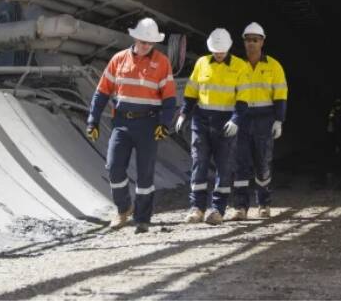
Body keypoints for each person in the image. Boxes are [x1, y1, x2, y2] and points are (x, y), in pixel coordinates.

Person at [85, 17, 177, 233]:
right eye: (142, 41)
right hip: (122, 123)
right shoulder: (119, 60)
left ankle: (143, 218)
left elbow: (170, 98)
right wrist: (93, 120)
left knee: (145, 174)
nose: (145, 45)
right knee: (114, 167)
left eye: (150, 42)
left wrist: (164, 123)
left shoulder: (162, 62)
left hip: (148, 124)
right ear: (135, 37)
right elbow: (102, 92)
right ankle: (123, 208)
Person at [177, 28, 251, 224]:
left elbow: (244, 99)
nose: (218, 54)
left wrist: (236, 119)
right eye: (215, 51)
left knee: (224, 166)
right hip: (201, 120)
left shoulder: (239, 66)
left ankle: (217, 209)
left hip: (225, 122)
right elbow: (192, 92)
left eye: (222, 51)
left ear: (228, 49)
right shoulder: (202, 63)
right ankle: (197, 208)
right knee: (198, 163)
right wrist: (184, 113)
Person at [229, 22, 288, 220]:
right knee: (240, 163)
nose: (251, 43)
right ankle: (240, 207)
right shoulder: (236, 65)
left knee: (263, 162)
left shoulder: (274, 66)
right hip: (243, 118)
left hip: (265, 118)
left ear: (262, 42)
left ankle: (264, 203)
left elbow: (280, 95)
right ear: (244, 42)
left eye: (255, 40)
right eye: (248, 40)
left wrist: (279, 120)